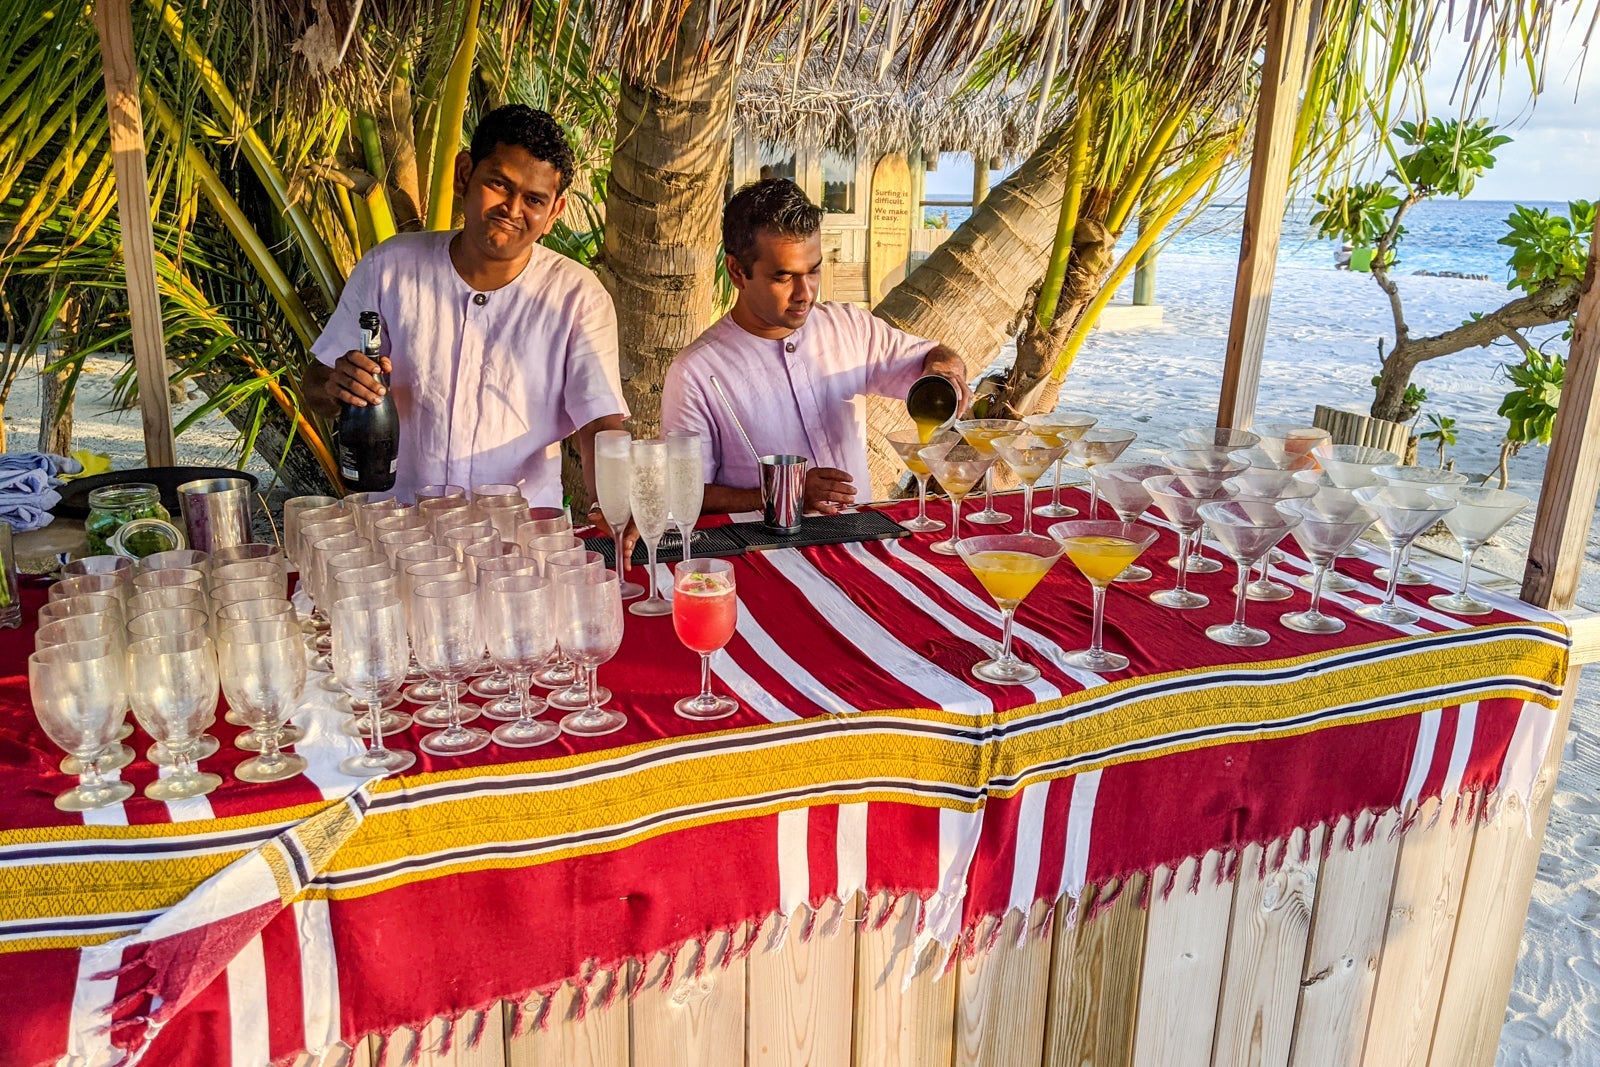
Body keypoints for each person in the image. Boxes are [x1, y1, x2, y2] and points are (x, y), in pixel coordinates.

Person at [303, 105, 627, 531]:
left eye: (534, 200)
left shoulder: (576, 297)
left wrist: (618, 498)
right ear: (463, 174)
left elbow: (600, 420)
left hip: (519, 542)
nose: (512, 209)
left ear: (554, 213)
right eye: (499, 184)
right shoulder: (390, 268)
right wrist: (337, 384)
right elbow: (315, 388)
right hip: (396, 532)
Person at [660, 179, 971, 515]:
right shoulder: (696, 372)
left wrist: (944, 372)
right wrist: (781, 491)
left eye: (813, 271)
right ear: (737, 271)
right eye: (783, 277)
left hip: (859, 542)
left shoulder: (850, 326)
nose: (804, 292)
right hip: (766, 558)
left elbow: (934, 356)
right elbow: (684, 495)